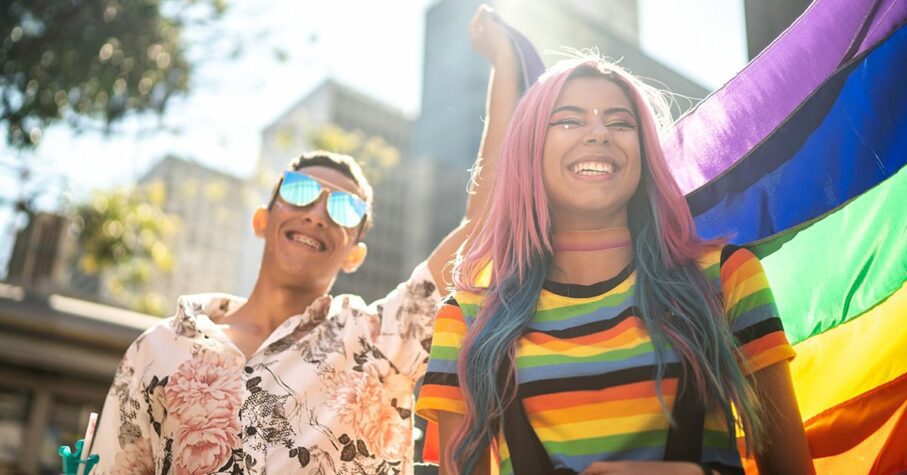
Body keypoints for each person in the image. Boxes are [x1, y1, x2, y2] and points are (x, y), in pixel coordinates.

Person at [89, 7, 524, 474]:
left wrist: (503, 62)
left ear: (355, 253)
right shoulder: (158, 347)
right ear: (262, 220)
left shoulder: (378, 341)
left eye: (344, 209)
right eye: (300, 193)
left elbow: (484, 223)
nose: (318, 213)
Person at [415, 18, 815, 475]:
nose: (599, 133)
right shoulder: (467, 318)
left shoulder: (725, 278)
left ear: (644, 154)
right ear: (528, 150)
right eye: (568, 120)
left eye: (620, 122)